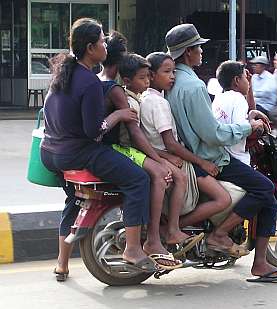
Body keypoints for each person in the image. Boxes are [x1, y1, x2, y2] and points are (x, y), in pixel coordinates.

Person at [165, 23, 277, 282]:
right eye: (199, 47)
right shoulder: (194, 86)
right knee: (265, 189)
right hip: (211, 158)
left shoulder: (171, 81)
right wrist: (249, 126)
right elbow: (213, 134)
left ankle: (241, 249)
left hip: (188, 155)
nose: (202, 51)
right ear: (189, 52)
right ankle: (224, 238)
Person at [41, 18, 155, 281]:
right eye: (102, 41)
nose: (105, 45)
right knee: (138, 179)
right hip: (78, 151)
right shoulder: (89, 82)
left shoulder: (62, 73)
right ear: (91, 48)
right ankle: (134, 249)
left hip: (51, 153)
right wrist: (120, 115)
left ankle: (62, 264)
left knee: (74, 199)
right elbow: (95, 130)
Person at [141, 52, 248, 257]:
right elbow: (171, 143)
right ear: (151, 75)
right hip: (181, 159)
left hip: (166, 156)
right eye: (167, 72)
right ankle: (173, 229)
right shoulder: (160, 102)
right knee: (223, 199)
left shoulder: (152, 98)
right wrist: (202, 162)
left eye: (173, 71)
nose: (172, 76)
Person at [99, 47, 199, 268]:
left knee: (165, 174)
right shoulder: (129, 99)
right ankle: (160, 235)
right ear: (126, 79)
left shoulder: (136, 97)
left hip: (133, 149)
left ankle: (164, 231)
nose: (147, 81)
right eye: (143, 77)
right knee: (166, 176)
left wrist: (159, 157)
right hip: (126, 149)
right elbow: (137, 137)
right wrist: (160, 158)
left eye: (147, 77)